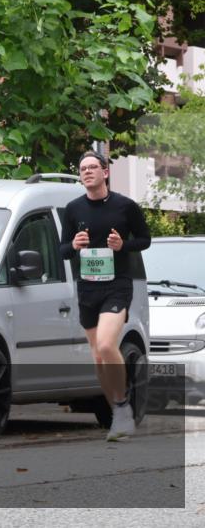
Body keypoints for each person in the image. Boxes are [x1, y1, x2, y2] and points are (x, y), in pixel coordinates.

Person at [59, 150, 151, 441]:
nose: (86, 172)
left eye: (92, 167)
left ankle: (122, 408)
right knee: (98, 356)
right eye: (82, 168)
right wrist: (74, 244)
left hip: (117, 285)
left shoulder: (125, 207)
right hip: (87, 287)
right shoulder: (73, 209)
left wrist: (122, 245)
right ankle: (117, 413)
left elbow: (145, 240)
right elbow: (61, 249)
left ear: (105, 172)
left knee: (107, 343)